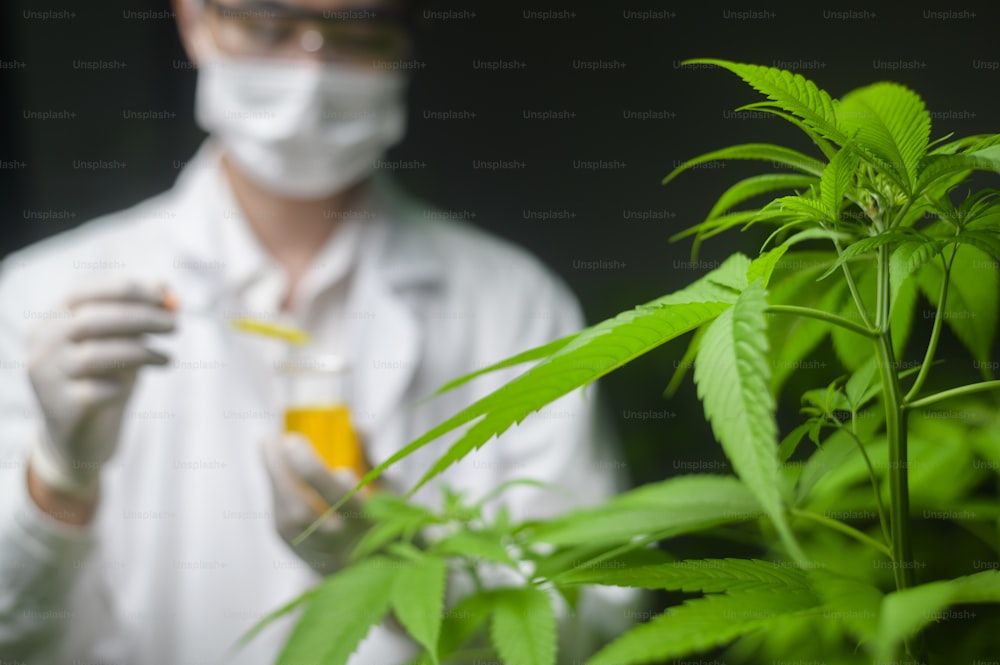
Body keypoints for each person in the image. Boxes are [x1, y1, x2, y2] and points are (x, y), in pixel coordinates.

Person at [0, 0, 635, 663]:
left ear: (406, 39)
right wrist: (60, 480)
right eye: (267, 25)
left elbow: (592, 626)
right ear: (194, 19)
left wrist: (405, 572)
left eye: (358, 33)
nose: (310, 72)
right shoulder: (41, 296)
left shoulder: (514, 305)